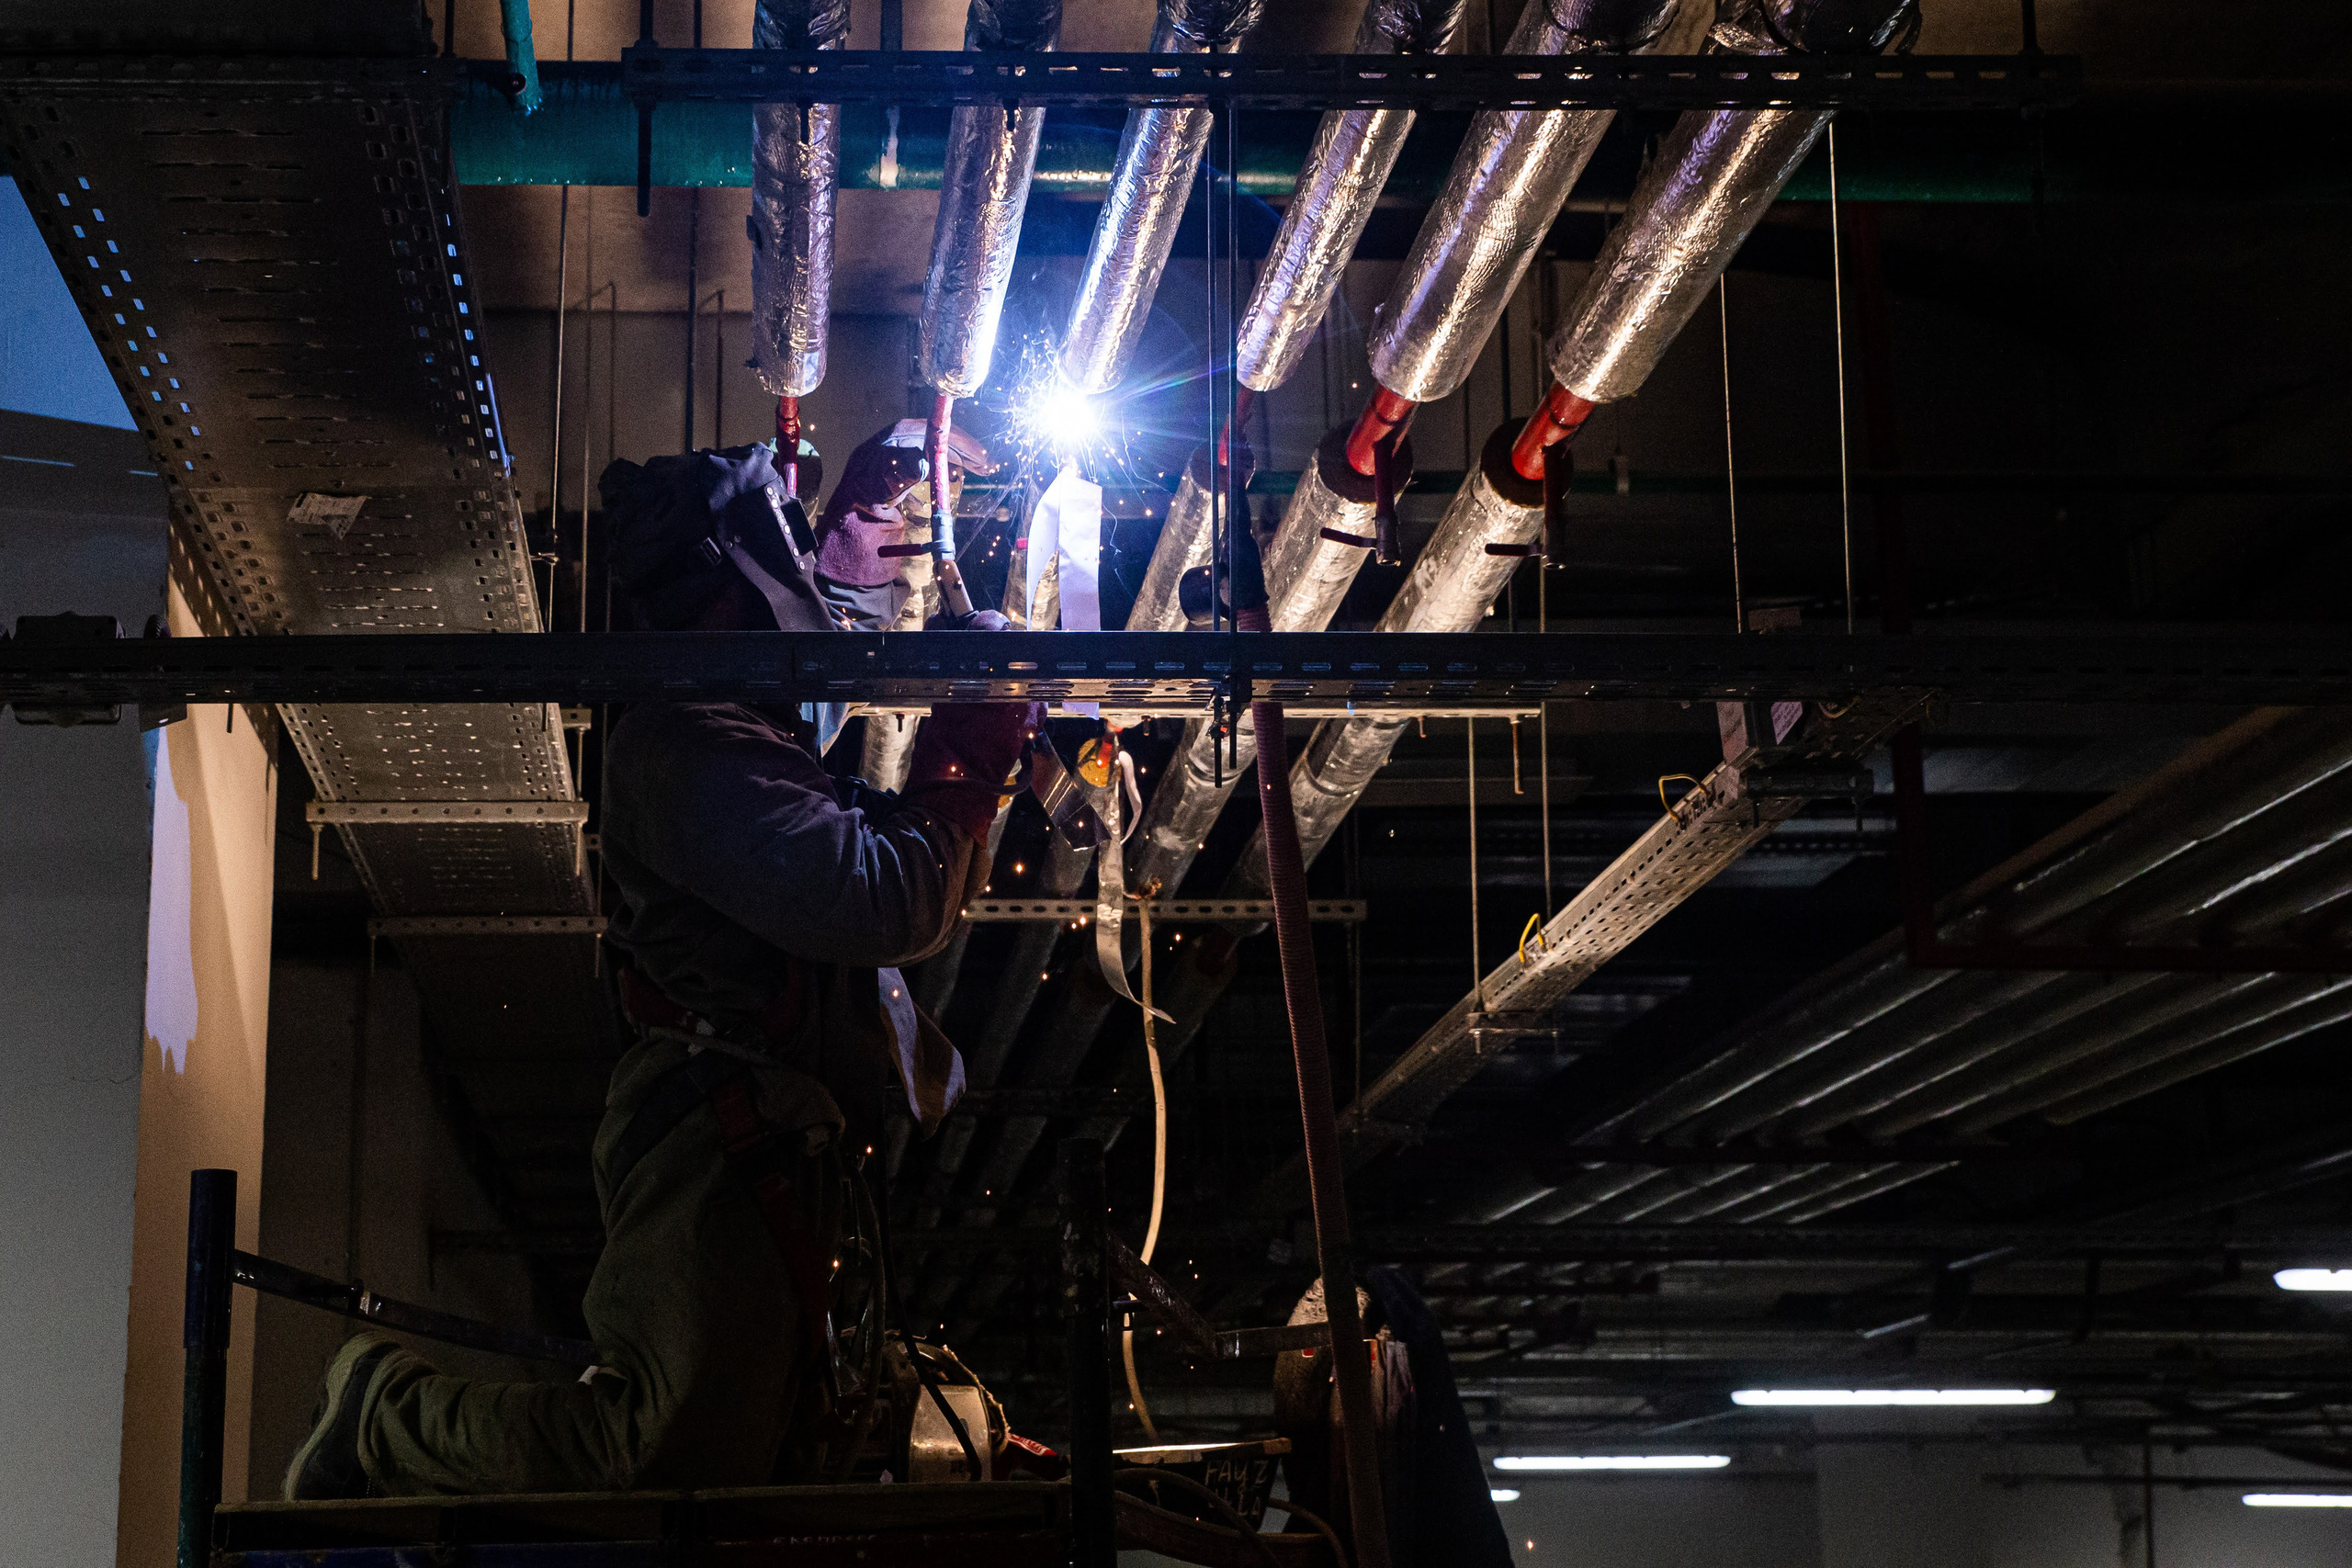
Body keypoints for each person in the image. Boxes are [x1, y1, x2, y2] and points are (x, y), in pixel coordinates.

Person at [284, 435, 1034, 1498]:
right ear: (723, 588)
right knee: (653, 1451)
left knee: (752, 1454)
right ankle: (383, 1414)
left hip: (765, 1122)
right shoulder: (683, 749)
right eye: (772, 567)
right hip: (714, 1121)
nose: (801, 601)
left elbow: (814, 658)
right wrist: (968, 755)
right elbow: (884, 899)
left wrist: (860, 532)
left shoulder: (732, 719)